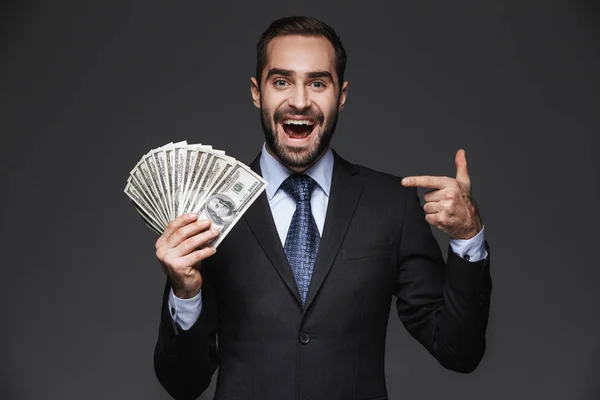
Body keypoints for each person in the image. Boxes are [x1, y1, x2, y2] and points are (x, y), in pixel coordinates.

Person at [153, 16, 491, 400]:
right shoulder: (208, 208)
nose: (299, 101)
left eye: (317, 83)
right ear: (256, 92)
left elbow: (459, 351)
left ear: (341, 96)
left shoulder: (389, 205)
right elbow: (182, 384)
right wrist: (185, 293)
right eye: (281, 82)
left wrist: (467, 237)